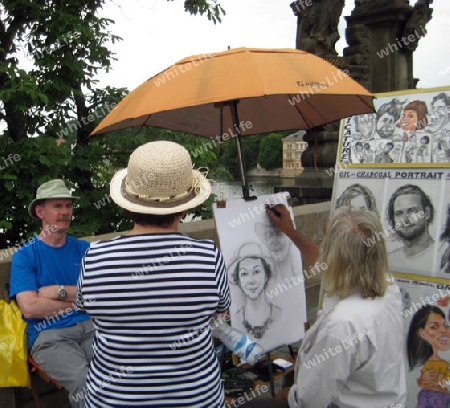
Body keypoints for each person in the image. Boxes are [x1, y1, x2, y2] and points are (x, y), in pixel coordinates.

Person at [76, 140, 230, 407]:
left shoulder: (95, 256)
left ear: (129, 204)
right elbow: (221, 311)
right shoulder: (208, 256)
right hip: (196, 399)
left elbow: (85, 308)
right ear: (184, 207)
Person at [241, 206, 407, 407]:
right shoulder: (387, 285)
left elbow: (309, 400)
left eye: (325, 243)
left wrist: (288, 395)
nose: (322, 248)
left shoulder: (341, 326)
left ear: (337, 259)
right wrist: (291, 232)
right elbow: (325, 261)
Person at [9, 179, 93, 408]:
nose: (65, 212)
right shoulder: (25, 256)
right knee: (84, 382)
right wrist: (81, 301)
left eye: (68, 206)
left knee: (124, 371)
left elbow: (102, 295)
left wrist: (58, 292)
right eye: (58, 206)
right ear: (40, 212)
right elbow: (30, 308)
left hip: (92, 329)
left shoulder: (85, 250)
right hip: (49, 335)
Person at [228, 243, 282, 346]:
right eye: (244, 274)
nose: (251, 280)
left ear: (266, 275)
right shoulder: (237, 318)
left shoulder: (278, 314)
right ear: (238, 280)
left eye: (256, 271)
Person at [407, 305, 450, 407]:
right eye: (434, 327)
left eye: (445, 325)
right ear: (422, 333)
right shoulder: (416, 364)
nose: (444, 331)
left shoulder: (444, 363)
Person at [387, 184, 435, 272]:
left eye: (412, 211)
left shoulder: (443, 258)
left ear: (427, 213)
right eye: (399, 213)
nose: (405, 219)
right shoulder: (388, 260)